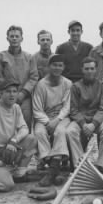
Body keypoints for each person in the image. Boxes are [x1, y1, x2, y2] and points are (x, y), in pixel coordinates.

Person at [66, 57, 103, 170]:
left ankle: (102, 164)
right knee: (70, 131)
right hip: (81, 119)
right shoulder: (75, 87)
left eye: (92, 68)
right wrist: (83, 124)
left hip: (97, 119)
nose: (89, 71)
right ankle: (80, 165)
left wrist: (94, 124)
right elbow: (73, 109)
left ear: (96, 69)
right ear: (82, 70)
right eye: (86, 69)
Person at [32, 53, 72, 186]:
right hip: (45, 117)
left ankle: (53, 169)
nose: (57, 68)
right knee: (39, 132)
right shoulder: (41, 85)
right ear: (49, 66)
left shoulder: (67, 83)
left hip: (61, 117)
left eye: (60, 65)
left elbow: (67, 106)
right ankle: (52, 167)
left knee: (60, 131)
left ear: (64, 67)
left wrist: (57, 119)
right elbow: (37, 109)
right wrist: (48, 122)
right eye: (54, 65)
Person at [0, 25, 38, 131]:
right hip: (5, 98)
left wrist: (22, 94)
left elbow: (34, 77)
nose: (14, 38)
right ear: (7, 38)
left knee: (24, 126)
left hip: (24, 98)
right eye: (11, 36)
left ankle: (25, 147)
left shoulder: (29, 57)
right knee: (6, 127)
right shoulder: (0, 57)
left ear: (22, 38)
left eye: (17, 36)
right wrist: (9, 94)